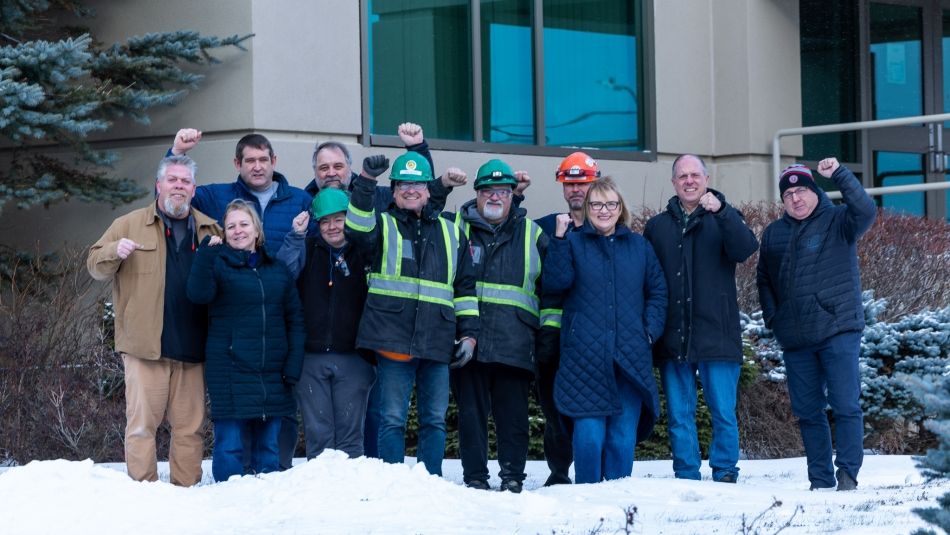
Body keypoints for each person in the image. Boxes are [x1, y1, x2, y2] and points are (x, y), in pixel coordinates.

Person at [87, 154, 221, 486]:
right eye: (172, 180)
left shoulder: (210, 229)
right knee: (141, 427)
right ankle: (142, 495)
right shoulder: (128, 224)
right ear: (159, 185)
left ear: (193, 188)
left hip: (194, 349)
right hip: (145, 348)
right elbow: (93, 265)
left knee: (190, 430)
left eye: (185, 181)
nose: (179, 186)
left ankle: (187, 491)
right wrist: (112, 252)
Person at [345, 151, 479, 476]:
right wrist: (364, 182)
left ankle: (430, 481)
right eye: (403, 183)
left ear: (427, 190)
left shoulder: (451, 232)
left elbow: (464, 289)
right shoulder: (383, 225)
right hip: (391, 341)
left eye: (417, 183)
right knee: (391, 419)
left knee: (434, 420)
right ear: (392, 191)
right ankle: (394, 483)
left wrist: (470, 335)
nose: (410, 189)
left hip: (437, 341)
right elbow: (356, 229)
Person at [757, 158, 876, 491]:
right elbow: (764, 278)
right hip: (796, 338)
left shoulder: (839, 220)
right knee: (808, 411)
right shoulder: (774, 233)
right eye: (789, 193)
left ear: (814, 191)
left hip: (838, 330)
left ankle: (848, 473)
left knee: (845, 404)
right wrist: (773, 317)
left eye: (802, 190)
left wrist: (839, 174)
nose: (796, 198)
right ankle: (820, 478)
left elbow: (866, 210)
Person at [542, 176, 667, 484]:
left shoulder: (639, 247)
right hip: (584, 358)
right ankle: (586, 499)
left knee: (621, 439)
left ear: (620, 207)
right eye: (596, 204)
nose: (604, 210)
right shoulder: (571, 242)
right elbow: (554, 285)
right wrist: (558, 240)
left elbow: (658, 292)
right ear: (587, 207)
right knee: (589, 438)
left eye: (611, 204)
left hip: (630, 356)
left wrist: (648, 331)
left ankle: (616, 504)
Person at [643, 154, 758, 483]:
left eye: (695, 175)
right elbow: (648, 279)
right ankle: (686, 472)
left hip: (716, 333)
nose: (689, 181)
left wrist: (721, 212)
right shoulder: (658, 226)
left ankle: (724, 470)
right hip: (673, 334)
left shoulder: (724, 217)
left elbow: (744, 248)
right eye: (682, 176)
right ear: (674, 183)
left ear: (706, 179)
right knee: (679, 414)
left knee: (723, 411)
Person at [448, 159, 550, 493]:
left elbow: (550, 290)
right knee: (471, 417)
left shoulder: (534, 234)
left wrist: (544, 339)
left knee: (514, 418)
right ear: (475, 194)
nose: (495, 197)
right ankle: (475, 476)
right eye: (488, 191)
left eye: (503, 192)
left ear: (513, 197)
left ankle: (512, 478)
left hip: (515, 341)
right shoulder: (455, 229)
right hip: (468, 342)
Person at [186, 200, 304, 482]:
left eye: (243, 224)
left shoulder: (277, 269)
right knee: (230, 448)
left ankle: (265, 514)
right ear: (224, 233)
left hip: (273, 375)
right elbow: (197, 295)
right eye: (231, 226)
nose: (238, 231)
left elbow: (295, 320)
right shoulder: (217, 265)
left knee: (268, 449)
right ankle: (229, 505)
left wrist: (293, 364)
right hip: (231, 372)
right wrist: (203, 256)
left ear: (256, 229)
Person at [277, 188, 376, 459]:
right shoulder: (306, 248)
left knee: (351, 437)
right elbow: (282, 276)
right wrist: (296, 236)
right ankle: (320, 498)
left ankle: (351, 497)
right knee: (318, 434)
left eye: (338, 219)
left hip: (354, 355)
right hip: (311, 356)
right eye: (325, 221)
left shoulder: (364, 253)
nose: (332, 227)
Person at [532, 151, 602, 485]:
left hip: (591, 334)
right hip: (552, 335)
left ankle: (593, 470)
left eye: (583, 183)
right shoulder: (545, 228)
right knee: (553, 408)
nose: (576, 190)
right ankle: (558, 472)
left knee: (590, 408)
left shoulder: (605, 228)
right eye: (570, 184)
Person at [170, 130, 312, 254]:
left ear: (273, 161)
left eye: (263, 160)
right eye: (250, 161)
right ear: (238, 164)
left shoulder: (300, 200)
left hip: (284, 283)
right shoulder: (215, 196)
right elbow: (170, 199)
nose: (257, 167)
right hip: (230, 283)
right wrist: (177, 152)